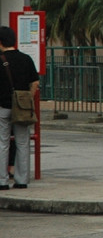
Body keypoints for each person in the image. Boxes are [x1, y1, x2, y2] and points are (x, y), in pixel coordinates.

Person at [0, 26, 40, 190]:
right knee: (23, 143)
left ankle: (2, 181)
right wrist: (27, 98)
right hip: (22, 108)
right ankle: (22, 180)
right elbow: (35, 82)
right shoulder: (26, 59)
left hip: (2, 107)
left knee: (2, 143)